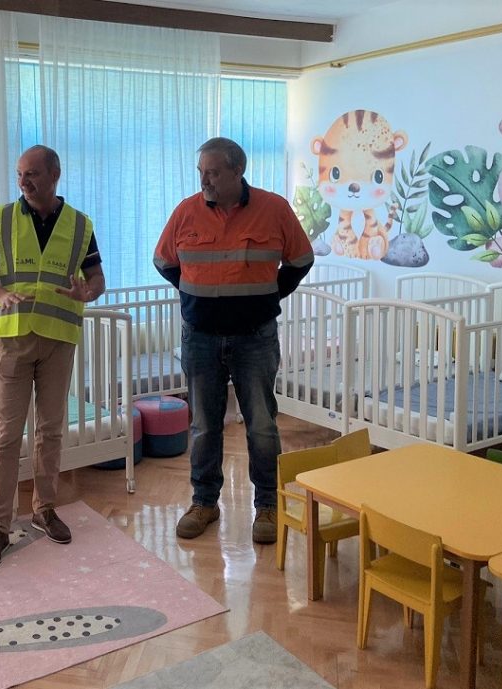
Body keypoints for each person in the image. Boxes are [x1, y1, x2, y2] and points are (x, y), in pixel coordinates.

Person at [153, 137, 314, 544]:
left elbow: (301, 259)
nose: (204, 180)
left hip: (254, 338)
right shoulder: (186, 211)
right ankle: (204, 502)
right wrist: (196, 293)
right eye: (201, 172)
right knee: (204, 426)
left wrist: (268, 295)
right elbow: (164, 261)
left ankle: (268, 505)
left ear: (237, 171)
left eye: (213, 172)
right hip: (200, 338)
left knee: (261, 425)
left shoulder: (274, 209)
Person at [0, 145, 105, 572]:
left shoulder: (80, 225)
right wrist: (0, 294)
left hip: (58, 340)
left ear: (54, 174)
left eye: (31, 173)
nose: (23, 182)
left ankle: (44, 508)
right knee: (6, 436)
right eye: (19, 174)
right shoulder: (3, 218)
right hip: (13, 338)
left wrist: (89, 292)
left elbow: (97, 278)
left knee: (50, 431)